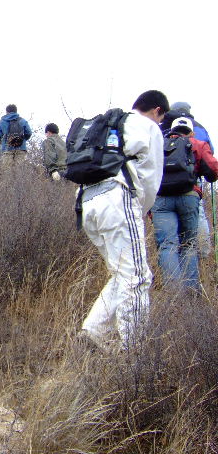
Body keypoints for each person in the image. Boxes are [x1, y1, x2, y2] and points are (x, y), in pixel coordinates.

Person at [78, 90, 169, 352]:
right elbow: (151, 178)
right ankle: (134, 351)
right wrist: (140, 210)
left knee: (122, 273)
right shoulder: (148, 127)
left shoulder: (113, 126)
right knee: (137, 276)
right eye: (161, 118)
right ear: (157, 111)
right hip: (118, 200)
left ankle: (93, 332)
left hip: (87, 202)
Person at [151, 117, 218, 293]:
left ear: (171, 130)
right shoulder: (197, 143)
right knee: (189, 244)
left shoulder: (158, 144)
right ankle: (191, 294)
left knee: (167, 245)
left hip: (161, 198)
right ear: (191, 132)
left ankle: (173, 294)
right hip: (188, 196)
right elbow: (213, 171)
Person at [161, 101, 214, 257]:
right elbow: (209, 154)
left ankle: (172, 263)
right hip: (190, 186)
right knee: (196, 223)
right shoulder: (199, 128)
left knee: (166, 243)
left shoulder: (162, 126)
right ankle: (203, 254)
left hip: (162, 190)